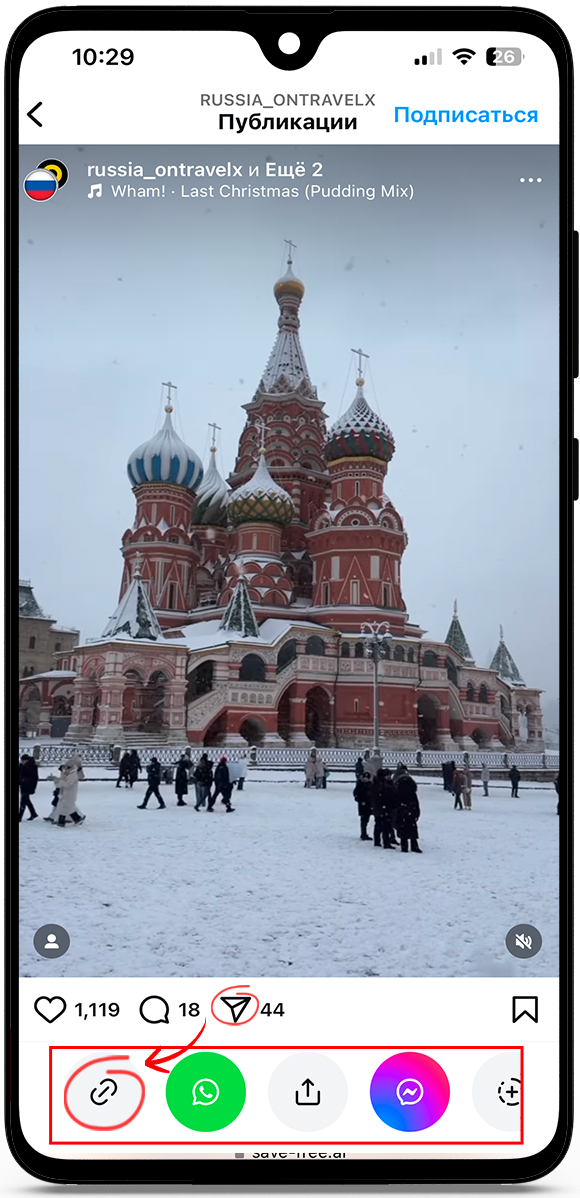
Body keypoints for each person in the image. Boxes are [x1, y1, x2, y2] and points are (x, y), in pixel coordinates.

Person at [52, 755, 86, 826]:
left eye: (66, 766)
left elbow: (67, 784)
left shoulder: (72, 774)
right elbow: (63, 781)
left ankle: (61, 821)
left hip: (70, 793)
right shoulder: (67, 773)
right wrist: (56, 780)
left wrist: (58, 782)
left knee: (65, 807)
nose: (64, 768)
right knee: (68, 807)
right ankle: (77, 819)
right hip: (65, 793)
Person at [395, 770, 422, 852]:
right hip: (410, 810)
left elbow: (396, 802)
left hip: (404, 810)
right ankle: (413, 846)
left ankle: (405, 846)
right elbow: (416, 802)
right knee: (412, 828)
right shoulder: (411, 790)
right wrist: (417, 812)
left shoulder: (398, 788)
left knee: (404, 829)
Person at [372, 768, 398, 849]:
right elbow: (383, 796)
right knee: (384, 825)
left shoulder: (383, 784)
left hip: (382, 808)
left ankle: (379, 841)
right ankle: (385, 842)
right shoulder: (381, 785)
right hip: (383, 808)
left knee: (380, 825)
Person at [19, 753, 39, 822]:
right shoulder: (21, 766)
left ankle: (19, 816)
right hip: (22, 785)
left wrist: (33, 788)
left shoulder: (32, 766)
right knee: (26, 800)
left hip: (28, 786)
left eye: (23, 760)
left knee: (23, 801)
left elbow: (34, 778)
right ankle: (33, 813)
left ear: (27, 760)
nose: (22, 762)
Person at [353, 771, 372, 840]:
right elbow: (356, 794)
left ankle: (364, 833)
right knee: (363, 820)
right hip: (363, 805)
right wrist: (360, 801)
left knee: (367, 820)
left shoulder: (370, 784)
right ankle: (363, 833)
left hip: (369, 805)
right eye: (364, 777)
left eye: (367, 778)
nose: (365, 779)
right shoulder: (360, 785)